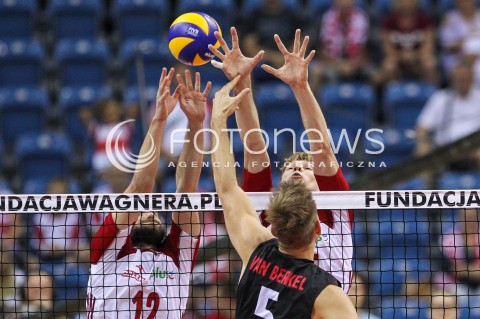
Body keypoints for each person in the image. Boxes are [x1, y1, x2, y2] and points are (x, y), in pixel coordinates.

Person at [209, 27, 353, 292]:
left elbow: (321, 148)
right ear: (280, 183)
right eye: (289, 168)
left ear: (320, 183)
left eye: (306, 167)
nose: (297, 167)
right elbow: (253, 146)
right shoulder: (265, 208)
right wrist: (242, 82)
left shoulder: (335, 208)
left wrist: (301, 86)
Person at [86, 67, 209, 318]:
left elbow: (187, 189)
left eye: (149, 211)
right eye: (143, 210)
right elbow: (141, 188)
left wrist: (196, 124)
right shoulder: (107, 250)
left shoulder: (177, 257)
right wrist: (159, 119)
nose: (149, 211)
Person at [416, 61, 480, 170]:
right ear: (453, 80)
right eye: (459, 79)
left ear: (472, 79)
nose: (462, 82)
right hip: (444, 148)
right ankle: (425, 185)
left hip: (474, 148)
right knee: (422, 151)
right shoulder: (441, 98)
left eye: (465, 79)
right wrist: (424, 142)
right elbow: (422, 126)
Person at [379, 0, 437, 84]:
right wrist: (403, 56)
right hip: (397, 60)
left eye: (409, 1)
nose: (406, 4)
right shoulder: (389, 22)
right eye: (402, 1)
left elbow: (428, 48)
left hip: (419, 59)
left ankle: (432, 93)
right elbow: (388, 49)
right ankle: (394, 93)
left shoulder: (425, 20)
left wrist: (413, 55)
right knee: (389, 65)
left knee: (429, 64)